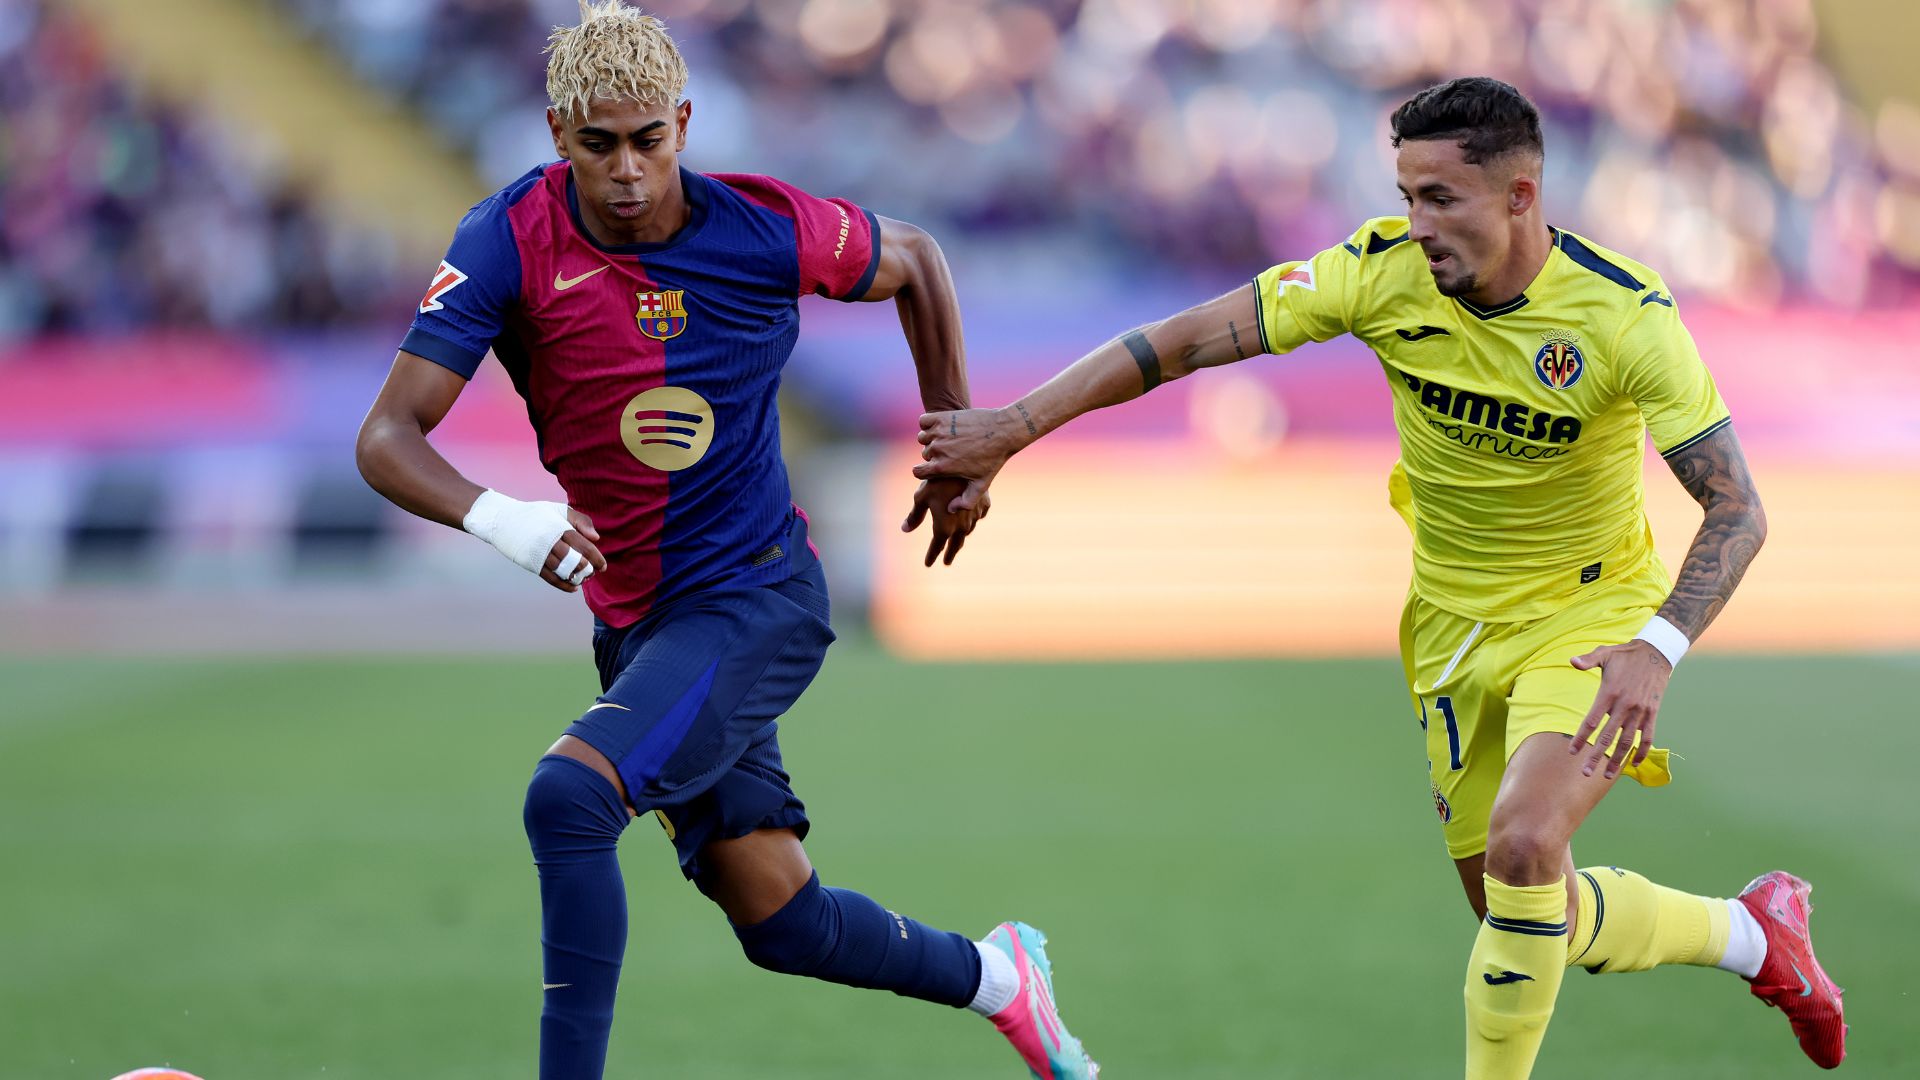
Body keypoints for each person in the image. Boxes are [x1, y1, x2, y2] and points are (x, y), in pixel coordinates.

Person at [914, 76, 1845, 1077]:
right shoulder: (1379, 273)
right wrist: (1013, 429)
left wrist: (1655, 649)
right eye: (1406, 195)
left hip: (1590, 617)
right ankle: (1756, 937)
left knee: (1527, 848)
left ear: (1521, 196)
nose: (1416, 224)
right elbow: (1182, 342)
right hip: (1450, 628)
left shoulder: (1625, 318)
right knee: (1527, 912)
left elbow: (1738, 508)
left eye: (1440, 199)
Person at [354, 5, 1098, 1078]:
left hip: (759, 598)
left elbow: (919, 262)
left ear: (685, 124)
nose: (626, 170)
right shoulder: (508, 239)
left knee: (568, 799)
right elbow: (387, 436)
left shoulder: (761, 228)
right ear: (558, 131)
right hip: (642, 630)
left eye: (648, 139)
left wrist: (958, 444)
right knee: (779, 919)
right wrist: (502, 517)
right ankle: (999, 977)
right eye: (598, 142)